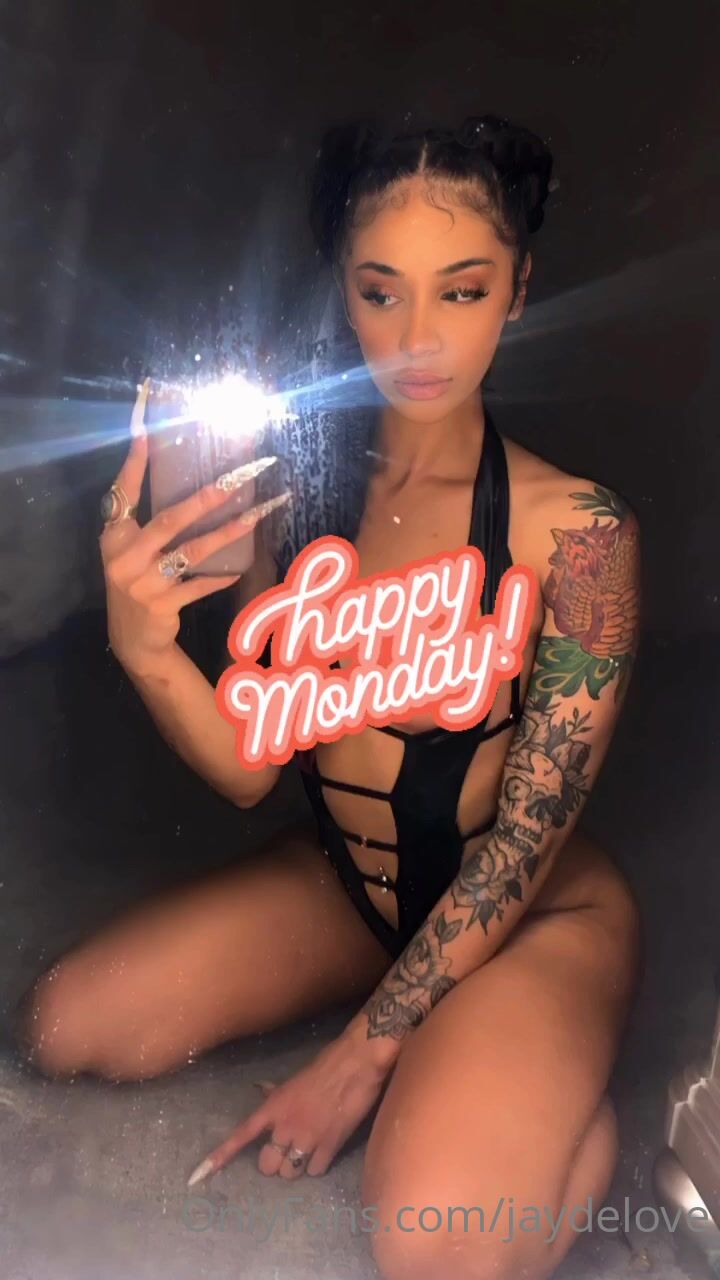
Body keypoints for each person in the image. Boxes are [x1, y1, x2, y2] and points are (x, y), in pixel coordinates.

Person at [14, 113, 643, 1280]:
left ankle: (551, 1112)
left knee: (437, 1244)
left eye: (462, 290)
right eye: (380, 290)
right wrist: (146, 647)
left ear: (517, 291)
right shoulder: (302, 494)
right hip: (357, 892)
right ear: (344, 293)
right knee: (70, 1024)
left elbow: (523, 839)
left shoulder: (580, 532)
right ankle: (463, 1067)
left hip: (530, 910)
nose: (417, 337)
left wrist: (358, 1056)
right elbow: (252, 768)